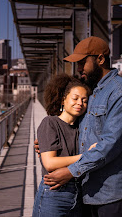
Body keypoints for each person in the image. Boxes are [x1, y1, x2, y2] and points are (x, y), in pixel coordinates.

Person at [41, 36, 122, 217]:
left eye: (82, 62)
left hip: (112, 193)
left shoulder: (120, 92)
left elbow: (110, 144)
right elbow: (79, 131)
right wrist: (48, 141)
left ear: (100, 59)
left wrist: (71, 171)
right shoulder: (91, 92)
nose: (78, 69)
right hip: (87, 191)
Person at [32, 73, 95, 217]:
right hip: (54, 195)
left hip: (79, 195)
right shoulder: (50, 123)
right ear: (63, 100)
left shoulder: (82, 128)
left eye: (84, 100)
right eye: (75, 98)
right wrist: (86, 156)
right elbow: (50, 163)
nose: (80, 103)